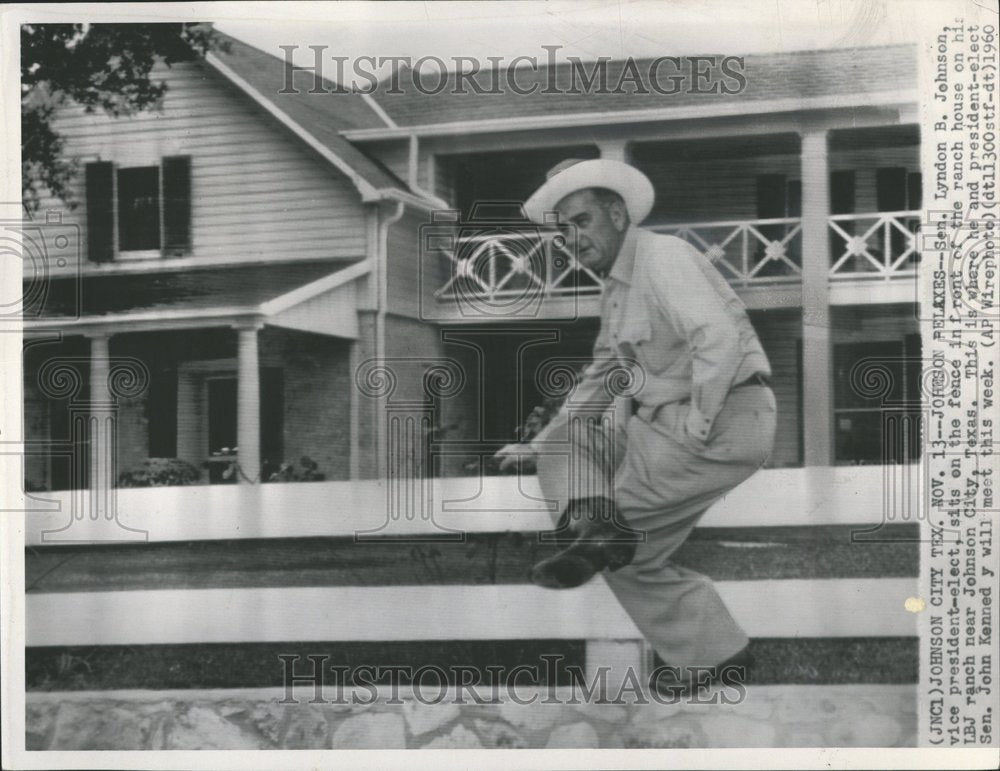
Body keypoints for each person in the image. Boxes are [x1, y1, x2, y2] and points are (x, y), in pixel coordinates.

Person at [493, 158, 776, 695]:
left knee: (615, 543)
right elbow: (603, 372)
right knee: (578, 468)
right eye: (562, 232)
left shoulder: (662, 257)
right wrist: (540, 444)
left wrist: (699, 419)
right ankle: (713, 651)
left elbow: (717, 338)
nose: (571, 240)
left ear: (618, 214)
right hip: (665, 424)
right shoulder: (617, 287)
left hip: (721, 418)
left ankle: (602, 532)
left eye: (580, 221)